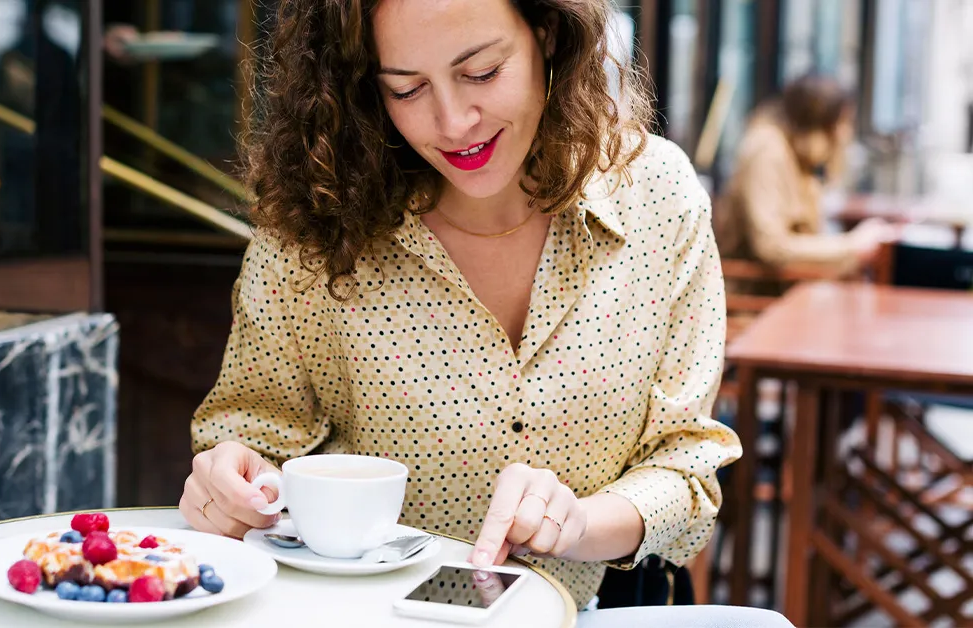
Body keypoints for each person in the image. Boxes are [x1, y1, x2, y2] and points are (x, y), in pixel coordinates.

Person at [182, 0, 742, 611]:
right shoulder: (314, 226)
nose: (452, 122)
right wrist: (229, 481)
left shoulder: (656, 197)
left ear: (548, 35)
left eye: (481, 73)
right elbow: (253, 433)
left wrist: (579, 524)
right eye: (406, 88)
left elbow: (686, 464)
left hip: (608, 606)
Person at [714, 74, 899, 277]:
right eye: (843, 124)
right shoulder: (767, 150)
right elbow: (772, 247)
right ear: (820, 124)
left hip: (788, 288)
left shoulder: (798, 155)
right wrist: (852, 245)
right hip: (756, 296)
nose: (845, 135)